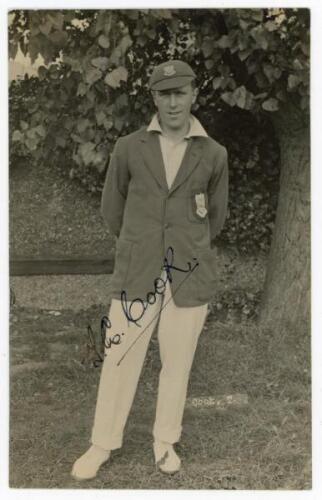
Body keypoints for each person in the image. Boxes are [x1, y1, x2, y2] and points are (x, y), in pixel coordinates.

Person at [71, 59, 229, 480]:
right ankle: (102, 443)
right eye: (164, 94)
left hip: (188, 271)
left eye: (180, 92)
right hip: (138, 268)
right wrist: (139, 244)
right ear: (154, 98)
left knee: (178, 362)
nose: (173, 102)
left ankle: (164, 441)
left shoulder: (214, 153)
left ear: (194, 94)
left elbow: (216, 215)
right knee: (120, 357)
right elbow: (112, 209)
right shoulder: (129, 147)